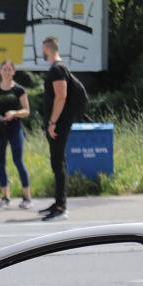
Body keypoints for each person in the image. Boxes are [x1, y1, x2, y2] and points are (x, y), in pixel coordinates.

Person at [38, 36, 87, 221]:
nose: (42, 52)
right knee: (57, 163)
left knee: (58, 164)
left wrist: (52, 123)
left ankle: (61, 207)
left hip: (58, 124)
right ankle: (58, 201)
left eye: (43, 49)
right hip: (59, 123)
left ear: (47, 49)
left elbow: (61, 97)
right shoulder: (59, 68)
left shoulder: (57, 69)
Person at [0, 59, 31, 208]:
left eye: (10, 69)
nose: (7, 72)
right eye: (5, 69)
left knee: (18, 161)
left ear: (14, 72)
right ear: (0, 71)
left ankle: (27, 197)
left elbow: (27, 111)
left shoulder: (19, 90)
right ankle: (5, 197)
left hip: (15, 129)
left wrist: (15, 113)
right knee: (0, 163)